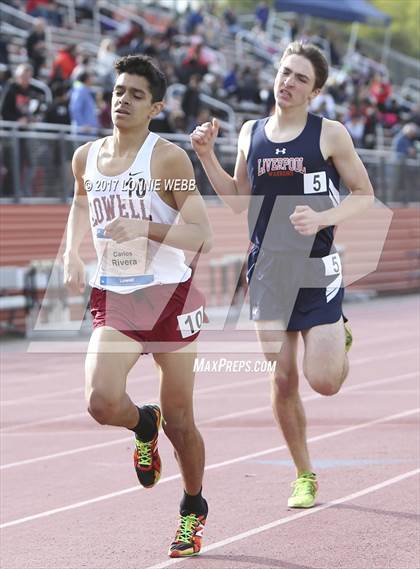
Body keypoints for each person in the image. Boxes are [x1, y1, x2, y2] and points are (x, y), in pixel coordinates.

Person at [191, 42, 374, 509]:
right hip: (268, 269)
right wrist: (207, 156)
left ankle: (339, 336)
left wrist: (323, 218)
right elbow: (238, 201)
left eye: (300, 78)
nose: (287, 82)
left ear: (314, 92)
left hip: (315, 267)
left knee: (326, 382)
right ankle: (303, 473)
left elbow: (363, 194)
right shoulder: (251, 132)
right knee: (282, 379)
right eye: (285, 72)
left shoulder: (328, 134)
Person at [63, 55, 212, 558]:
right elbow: (81, 201)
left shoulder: (167, 159)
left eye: (135, 95)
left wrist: (145, 227)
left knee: (182, 421)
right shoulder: (86, 155)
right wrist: (71, 253)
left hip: (169, 296)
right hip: (117, 295)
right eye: (118, 91)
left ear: (156, 107)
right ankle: (139, 424)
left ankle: (193, 506)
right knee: (100, 400)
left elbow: (202, 234)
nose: (122, 100)